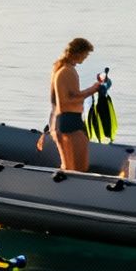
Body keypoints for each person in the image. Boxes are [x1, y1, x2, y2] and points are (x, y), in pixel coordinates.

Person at [40, 37, 100, 173]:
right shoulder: (67, 71)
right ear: (78, 53)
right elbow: (65, 101)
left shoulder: (62, 69)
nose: (85, 58)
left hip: (65, 121)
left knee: (70, 168)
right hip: (70, 121)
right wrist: (92, 90)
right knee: (80, 169)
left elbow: (62, 100)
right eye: (85, 54)